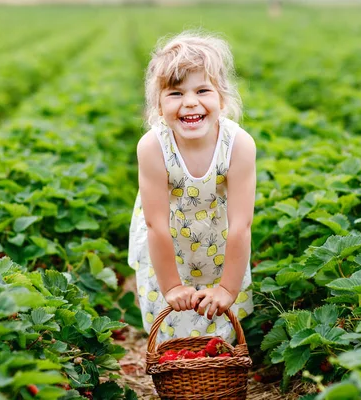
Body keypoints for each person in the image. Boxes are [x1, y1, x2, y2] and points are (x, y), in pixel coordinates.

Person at [128, 30, 255, 344]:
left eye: (202, 90)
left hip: (218, 238)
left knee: (218, 316)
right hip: (168, 241)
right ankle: (175, 367)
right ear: (158, 105)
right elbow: (155, 223)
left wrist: (227, 288)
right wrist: (171, 286)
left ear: (222, 98)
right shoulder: (153, 147)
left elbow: (241, 224)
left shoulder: (238, 144)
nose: (190, 103)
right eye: (175, 94)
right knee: (172, 319)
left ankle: (217, 365)